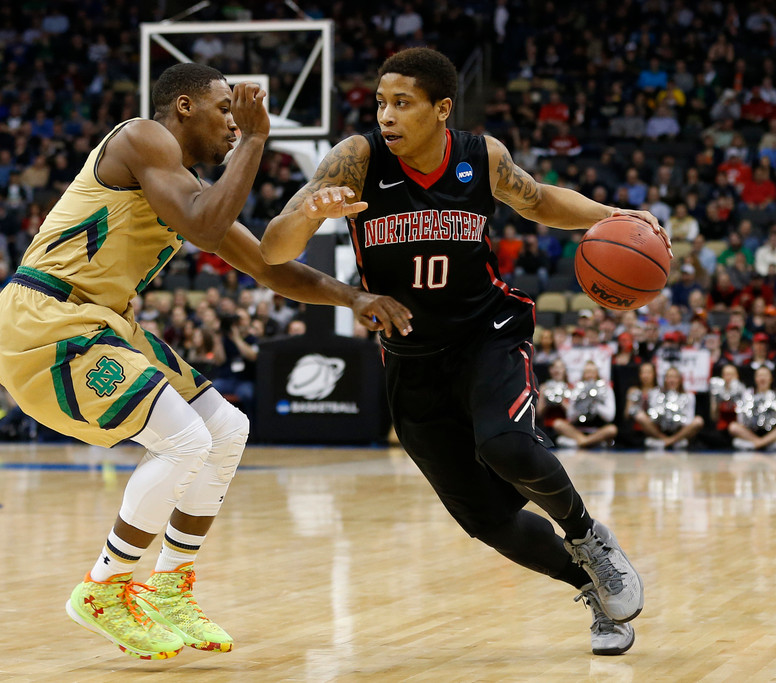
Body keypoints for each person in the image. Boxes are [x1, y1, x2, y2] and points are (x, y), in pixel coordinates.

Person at [0, 63, 411, 660]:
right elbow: (209, 227)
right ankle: (105, 587)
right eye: (224, 110)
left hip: (102, 322)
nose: (235, 125)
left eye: (238, 116)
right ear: (183, 107)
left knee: (227, 428)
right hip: (46, 320)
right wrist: (260, 139)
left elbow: (266, 264)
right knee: (184, 440)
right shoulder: (142, 137)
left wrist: (353, 296)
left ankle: (167, 587)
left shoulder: (179, 183)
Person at [260, 47, 660, 656]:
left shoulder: (481, 155)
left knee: (504, 445)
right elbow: (272, 249)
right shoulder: (355, 158)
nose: (386, 116)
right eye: (380, 103)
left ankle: (587, 537)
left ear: (442, 108)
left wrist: (610, 215)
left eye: (403, 103)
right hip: (411, 356)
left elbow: (538, 200)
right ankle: (596, 589)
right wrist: (312, 212)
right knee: (487, 521)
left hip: (487, 330)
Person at [551, 361, 619, 449]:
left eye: (592, 372)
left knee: (612, 429)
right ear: (583, 374)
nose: (589, 375)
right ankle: (586, 441)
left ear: (597, 374)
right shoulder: (577, 388)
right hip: (578, 430)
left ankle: (583, 442)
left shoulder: (606, 389)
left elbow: (610, 416)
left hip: (597, 431)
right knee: (558, 424)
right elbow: (570, 416)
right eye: (587, 372)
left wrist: (595, 403)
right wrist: (582, 405)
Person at [635, 367, 705, 449]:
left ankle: (670, 441)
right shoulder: (655, 393)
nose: (672, 380)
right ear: (664, 379)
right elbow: (651, 417)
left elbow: (690, 418)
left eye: (675, 377)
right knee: (640, 416)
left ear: (680, 380)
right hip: (660, 429)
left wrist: (677, 415)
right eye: (669, 377)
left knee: (698, 421)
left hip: (679, 430)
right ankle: (664, 439)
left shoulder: (689, 396)